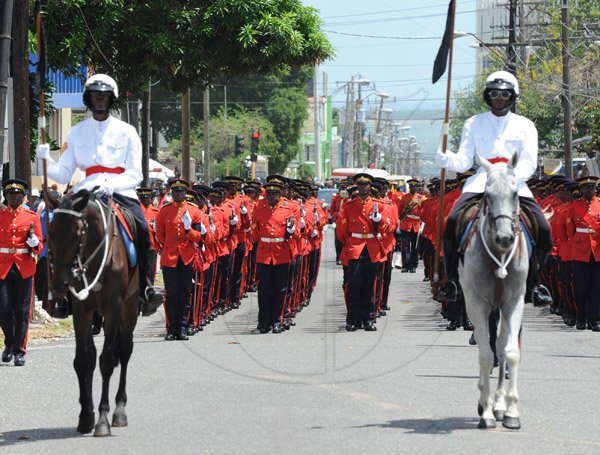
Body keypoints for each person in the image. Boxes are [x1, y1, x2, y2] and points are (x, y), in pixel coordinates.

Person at [36, 73, 164, 315]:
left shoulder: (127, 131)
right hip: (86, 191)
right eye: (96, 95)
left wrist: (112, 185)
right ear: (88, 98)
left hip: (121, 190)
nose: (100, 100)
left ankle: (146, 287)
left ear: (111, 99)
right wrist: (43, 160)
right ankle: (60, 292)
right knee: (62, 231)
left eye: (104, 96)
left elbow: (136, 173)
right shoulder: (76, 132)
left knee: (143, 228)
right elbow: (64, 174)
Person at [435, 70, 553, 305]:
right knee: (452, 223)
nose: (499, 98)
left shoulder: (526, 125)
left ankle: (534, 282)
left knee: (543, 228)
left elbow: (529, 162)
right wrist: (444, 158)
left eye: (505, 94)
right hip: (481, 181)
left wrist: (507, 179)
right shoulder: (474, 122)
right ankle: (452, 281)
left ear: (512, 97)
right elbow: (465, 160)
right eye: (494, 93)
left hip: (514, 183)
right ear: (487, 96)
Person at [336, 173, 391, 331]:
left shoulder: (378, 205)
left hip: (372, 247)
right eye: (360, 185)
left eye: (365, 185)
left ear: (370, 187)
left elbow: (385, 229)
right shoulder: (349, 205)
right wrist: (352, 241)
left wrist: (379, 220)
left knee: (369, 285)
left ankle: (368, 318)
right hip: (355, 246)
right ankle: (353, 319)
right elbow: (342, 231)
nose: (362, 188)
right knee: (354, 285)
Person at [155, 179, 206, 340]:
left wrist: (187, 229)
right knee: (171, 293)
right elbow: (160, 234)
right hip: (169, 256)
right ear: (172, 193)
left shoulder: (194, 211)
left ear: (185, 193)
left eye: (181, 191)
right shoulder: (164, 210)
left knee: (185, 293)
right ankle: (171, 329)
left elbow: (198, 237)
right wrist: (170, 244)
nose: (178, 194)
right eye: (175, 192)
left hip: (187, 255)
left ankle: (182, 327)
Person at [0, 179, 43, 366]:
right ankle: (9, 342)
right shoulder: (0, 216)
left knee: (22, 311)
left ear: (23, 196)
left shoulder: (32, 217)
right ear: (6, 196)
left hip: (24, 268)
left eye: (18, 194)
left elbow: (40, 247)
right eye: (11, 194)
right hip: (3, 268)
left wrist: (34, 243)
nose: (14, 197)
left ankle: (19, 351)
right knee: (4, 308)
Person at [251, 181, 299, 333]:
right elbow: (254, 233)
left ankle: (277, 320)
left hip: (281, 252)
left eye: (275, 194)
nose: (272, 197)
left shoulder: (288, 209)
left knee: (280, 289)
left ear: (280, 195)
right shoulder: (259, 209)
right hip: (264, 253)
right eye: (269, 194)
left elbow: (296, 232)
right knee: (264, 289)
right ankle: (264, 322)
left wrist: (291, 230)